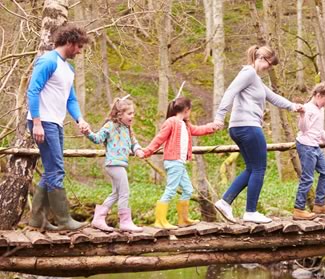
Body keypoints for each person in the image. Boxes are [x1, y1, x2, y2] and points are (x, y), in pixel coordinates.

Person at [211, 45, 304, 224]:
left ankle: (225, 202)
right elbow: (230, 92)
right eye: (269, 65)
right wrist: (219, 117)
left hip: (240, 127)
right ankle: (250, 211)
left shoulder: (255, 80)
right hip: (248, 127)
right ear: (261, 58)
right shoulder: (248, 73)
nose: (268, 69)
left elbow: (272, 97)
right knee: (259, 168)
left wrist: (293, 106)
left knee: (252, 168)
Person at [27, 25, 91, 231]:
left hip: (55, 122)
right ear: (70, 43)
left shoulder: (67, 68)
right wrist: (36, 122)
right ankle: (64, 220)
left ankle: (38, 220)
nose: (80, 51)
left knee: (51, 170)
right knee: (56, 170)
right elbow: (33, 91)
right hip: (43, 122)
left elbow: (70, 98)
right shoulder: (48, 61)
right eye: (79, 47)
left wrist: (80, 119)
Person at [142, 97, 218, 229]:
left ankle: (183, 219)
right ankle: (160, 220)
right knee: (171, 189)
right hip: (173, 161)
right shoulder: (171, 122)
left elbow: (197, 130)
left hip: (180, 163)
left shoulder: (185, 124)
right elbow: (160, 138)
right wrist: (147, 151)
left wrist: (211, 127)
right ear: (187, 110)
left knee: (187, 190)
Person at [81, 97, 145, 232]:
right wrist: (88, 133)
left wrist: (138, 150)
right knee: (124, 192)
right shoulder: (110, 126)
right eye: (129, 113)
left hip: (120, 164)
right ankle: (125, 221)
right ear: (119, 114)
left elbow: (134, 142)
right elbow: (97, 139)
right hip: (113, 164)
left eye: (133, 113)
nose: (132, 116)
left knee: (116, 193)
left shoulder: (127, 129)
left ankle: (98, 218)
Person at [293, 83, 325, 220]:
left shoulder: (320, 109)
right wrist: (302, 115)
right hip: (306, 146)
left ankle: (319, 203)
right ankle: (299, 209)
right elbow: (304, 128)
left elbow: (319, 129)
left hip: (315, 146)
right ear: (318, 95)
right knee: (308, 177)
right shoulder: (307, 109)